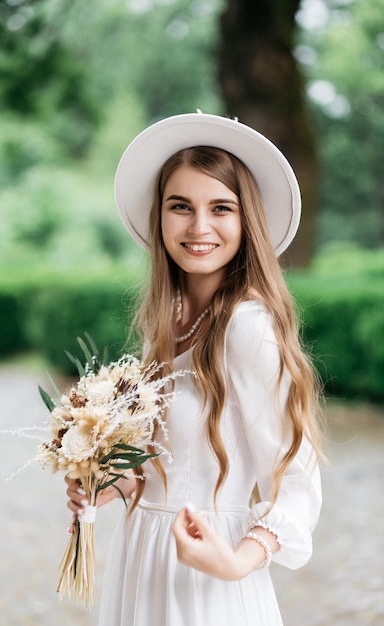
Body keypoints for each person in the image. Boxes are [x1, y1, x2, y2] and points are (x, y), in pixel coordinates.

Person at [65, 111, 323, 626]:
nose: (199, 227)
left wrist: (234, 563)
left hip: (206, 578)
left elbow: (298, 481)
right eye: (180, 206)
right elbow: (171, 467)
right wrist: (114, 483)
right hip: (142, 557)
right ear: (160, 216)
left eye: (220, 208)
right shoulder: (166, 324)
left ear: (246, 220)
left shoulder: (248, 329)